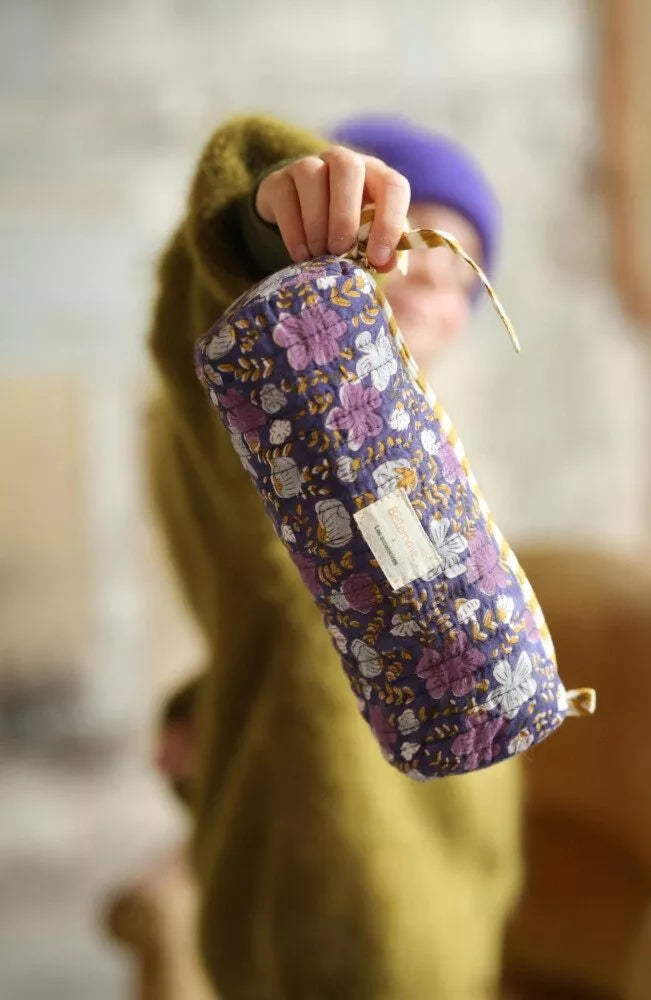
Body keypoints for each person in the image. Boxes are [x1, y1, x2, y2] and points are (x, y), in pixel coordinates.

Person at [146, 111, 522, 999]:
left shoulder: (409, 451)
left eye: (462, 268)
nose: (433, 270)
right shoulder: (265, 420)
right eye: (413, 235)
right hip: (344, 898)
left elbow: (315, 611)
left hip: (458, 867)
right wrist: (263, 227)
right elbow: (206, 323)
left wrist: (215, 693)